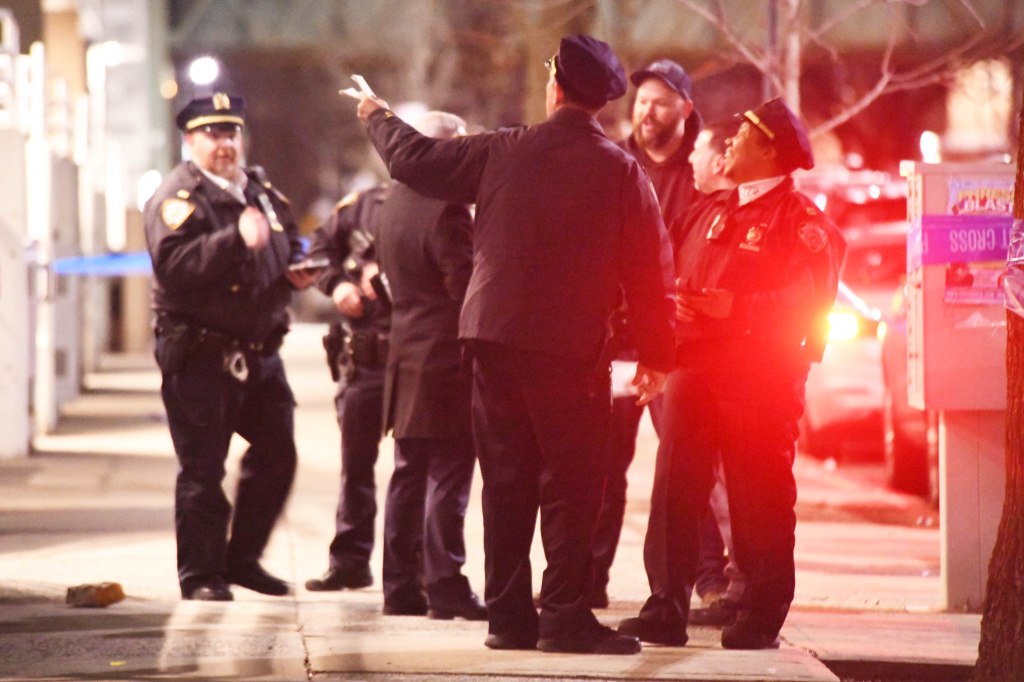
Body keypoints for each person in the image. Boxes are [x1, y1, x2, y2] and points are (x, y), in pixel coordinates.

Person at [350, 34, 675, 655]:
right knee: (573, 485)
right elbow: (651, 270)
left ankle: (507, 618)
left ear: (554, 88)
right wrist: (658, 354)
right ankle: (565, 616)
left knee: (504, 478)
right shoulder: (620, 171)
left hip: (492, 341)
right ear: (601, 104)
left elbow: (417, 160)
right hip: (570, 351)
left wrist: (377, 114)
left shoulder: (503, 150)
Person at [617, 98, 846, 649]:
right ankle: (665, 606)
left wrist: (737, 309)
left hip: (759, 377)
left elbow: (811, 304)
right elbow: (664, 278)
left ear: (769, 150)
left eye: (744, 135)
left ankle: (760, 613)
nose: (730, 143)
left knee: (757, 492)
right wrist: (659, 347)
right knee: (675, 486)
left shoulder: (802, 223)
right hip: (694, 368)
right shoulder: (706, 211)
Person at [143, 89, 319, 601]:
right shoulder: (176, 198)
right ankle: (200, 575)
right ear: (189, 140)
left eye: (231, 132)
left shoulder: (257, 189)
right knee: (203, 468)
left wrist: (292, 274)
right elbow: (174, 268)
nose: (225, 143)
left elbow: (280, 244)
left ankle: (242, 560)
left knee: (278, 454)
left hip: (260, 351)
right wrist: (233, 239)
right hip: (200, 353)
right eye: (212, 134)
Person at [589, 57, 701, 610]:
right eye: (640, 102)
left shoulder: (702, 173)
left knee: (685, 461)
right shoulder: (615, 162)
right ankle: (589, 577)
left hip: (675, 345)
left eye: (659, 102)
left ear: (685, 108)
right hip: (620, 343)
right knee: (604, 460)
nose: (646, 112)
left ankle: (703, 579)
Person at [374, 111, 486, 621]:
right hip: (444, 362)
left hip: (406, 357)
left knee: (407, 474)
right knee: (448, 476)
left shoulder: (392, 203)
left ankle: (399, 586)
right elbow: (463, 290)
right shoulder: (448, 211)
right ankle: (445, 585)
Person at [679, 118, 749, 627]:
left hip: (733, 379)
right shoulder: (702, 215)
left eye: (698, 153)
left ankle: (742, 589)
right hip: (698, 372)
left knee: (735, 491)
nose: (689, 163)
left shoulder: (747, 219)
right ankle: (728, 584)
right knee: (713, 487)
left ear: (722, 159)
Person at [304, 184, 392, 593]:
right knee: (355, 466)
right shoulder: (360, 207)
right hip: (363, 359)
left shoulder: (453, 204)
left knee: (420, 471)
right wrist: (337, 284)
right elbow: (317, 254)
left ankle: (419, 568)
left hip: (416, 358)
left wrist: (395, 277)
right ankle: (350, 561)